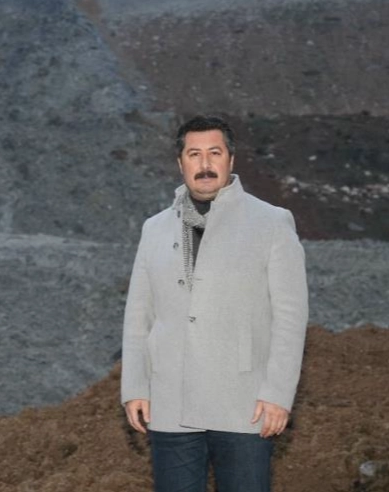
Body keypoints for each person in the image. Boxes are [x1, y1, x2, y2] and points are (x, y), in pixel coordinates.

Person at [121, 115, 308, 492]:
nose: (204, 164)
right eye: (194, 154)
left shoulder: (271, 222)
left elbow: (290, 317)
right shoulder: (154, 228)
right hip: (170, 403)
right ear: (181, 163)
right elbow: (139, 315)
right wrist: (136, 385)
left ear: (231, 160)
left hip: (244, 405)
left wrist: (278, 394)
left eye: (214, 153)